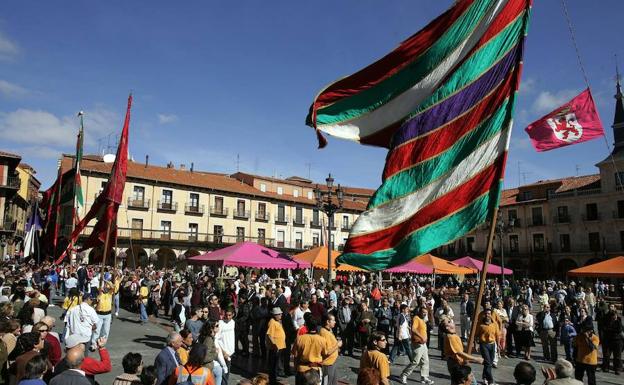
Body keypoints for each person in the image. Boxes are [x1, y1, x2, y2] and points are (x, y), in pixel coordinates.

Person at [440, 318, 482, 385]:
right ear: (447, 327)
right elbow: (459, 353)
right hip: (456, 363)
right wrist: (476, 359)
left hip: (460, 362)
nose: (451, 320)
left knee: (469, 381)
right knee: (463, 382)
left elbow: (460, 349)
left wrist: (471, 347)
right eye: (449, 321)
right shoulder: (451, 337)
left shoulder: (454, 335)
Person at [292, 316, 331, 385]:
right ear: (317, 327)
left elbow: (295, 356)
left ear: (306, 326)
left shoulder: (299, 339)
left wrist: (295, 368)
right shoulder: (322, 340)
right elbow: (325, 354)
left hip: (301, 369)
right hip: (315, 370)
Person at [400, 306, 433, 385]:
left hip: (423, 344)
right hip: (417, 343)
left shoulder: (423, 320)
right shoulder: (416, 318)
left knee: (425, 361)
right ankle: (404, 375)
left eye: (426, 312)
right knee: (415, 361)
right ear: (420, 312)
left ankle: (424, 377)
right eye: (423, 312)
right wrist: (421, 337)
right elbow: (413, 329)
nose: (424, 313)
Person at [475, 308, 499, 385]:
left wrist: (498, 346)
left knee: (489, 363)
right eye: (486, 314)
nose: (487, 315)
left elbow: (497, 335)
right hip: (484, 345)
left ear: (491, 315)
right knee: (488, 363)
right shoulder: (480, 324)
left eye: (489, 314)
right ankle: (491, 380)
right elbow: (476, 335)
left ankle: (484, 377)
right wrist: (476, 344)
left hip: (492, 344)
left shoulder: (494, 324)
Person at [319, 314, 341, 385]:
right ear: (328, 322)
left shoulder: (328, 331)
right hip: (328, 363)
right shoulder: (324, 333)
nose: (335, 322)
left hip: (333, 361)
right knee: (327, 382)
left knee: (333, 382)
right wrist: (337, 345)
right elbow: (327, 351)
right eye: (333, 320)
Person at [266, 307, 285, 385]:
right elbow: (269, 334)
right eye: (279, 314)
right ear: (275, 315)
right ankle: (272, 380)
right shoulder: (272, 322)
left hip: (279, 347)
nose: (281, 315)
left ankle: (274, 378)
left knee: (275, 364)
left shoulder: (277, 321)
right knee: (273, 365)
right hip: (275, 348)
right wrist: (274, 345)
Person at [216, 308, 235, 385]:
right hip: (223, 353)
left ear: (233, 315)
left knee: (227, 373)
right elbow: (217, 339)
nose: (227, 317)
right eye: (226, 315)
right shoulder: (220, 323)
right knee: (224, 373)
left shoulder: (233, 322)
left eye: (230, 315)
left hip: (231, 352)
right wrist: (223, 352)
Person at [601, 310, 623, 374]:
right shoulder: (608, 322)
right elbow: (604, 329)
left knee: (617, 356)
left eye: (615, 315)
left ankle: (617, 369)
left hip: (617, 341)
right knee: (607, 355)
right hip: (609, 341)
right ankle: (606, 367)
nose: (614, 317)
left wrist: (610, 330)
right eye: (613, 316)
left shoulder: (619, 322)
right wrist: (612, 330)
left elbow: (619, 330)